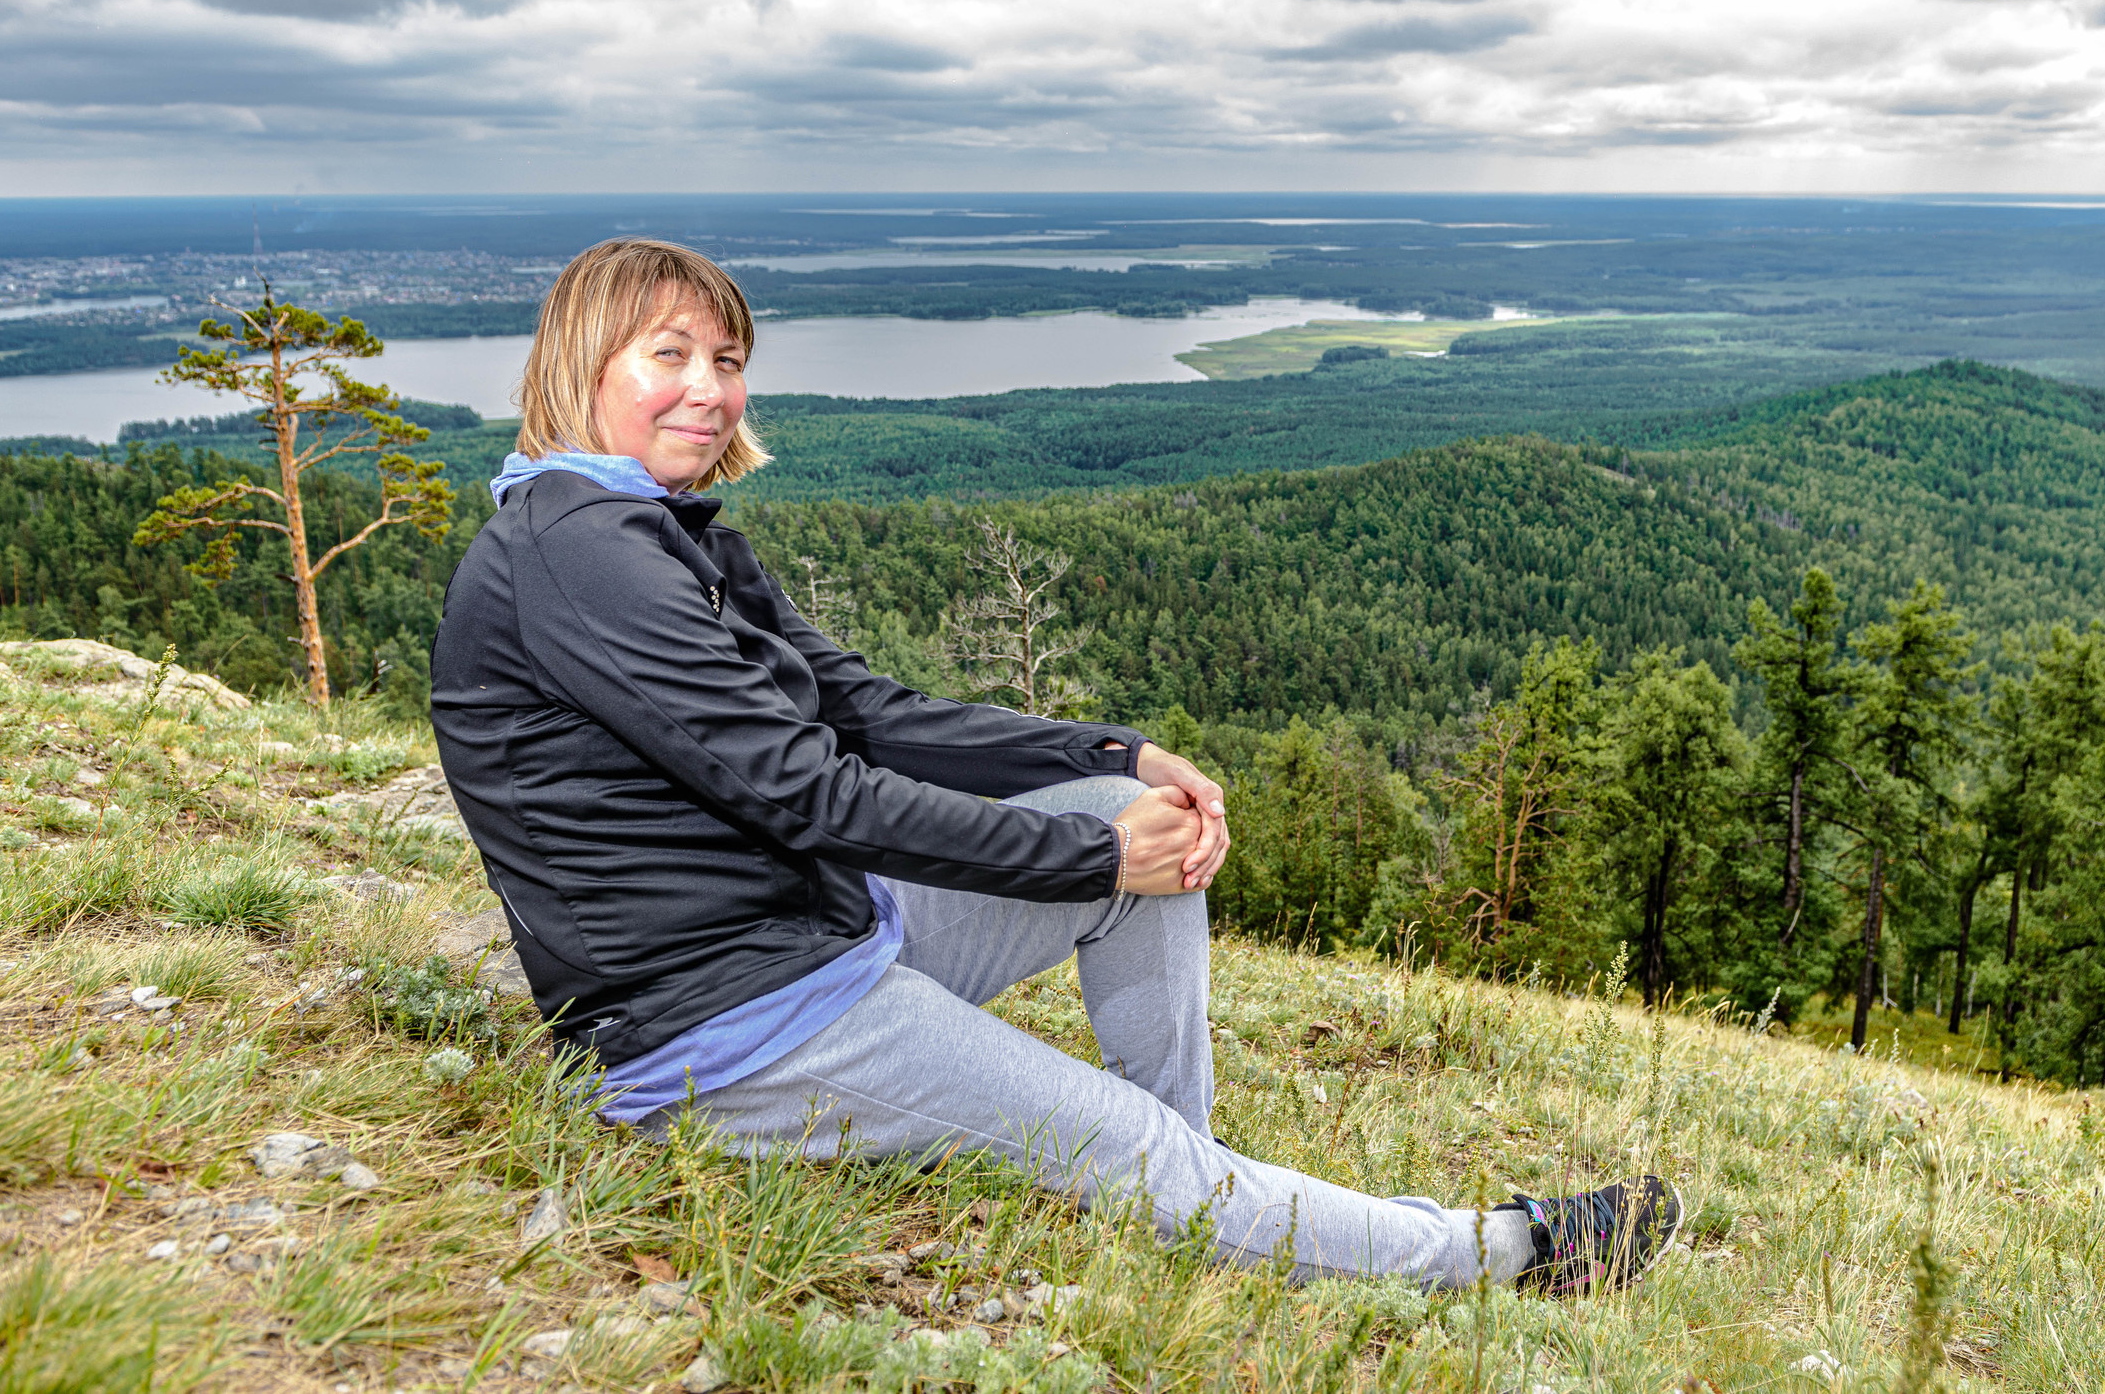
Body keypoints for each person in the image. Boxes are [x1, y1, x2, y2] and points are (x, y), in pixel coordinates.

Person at [429, 237, 1682, 1293]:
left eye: (729, 359)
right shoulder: (578, 551)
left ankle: (1201, 1185)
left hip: (814, 936)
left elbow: (865, 711)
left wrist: (1115, 759)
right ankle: (1506, 1256)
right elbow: (802, 789)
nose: (709, 390)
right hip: (726, 1029)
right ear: (579, 364)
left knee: (1139, 831)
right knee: (1118, 1001)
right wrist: (1087, 850)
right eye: (669, 356)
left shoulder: (662, 537)